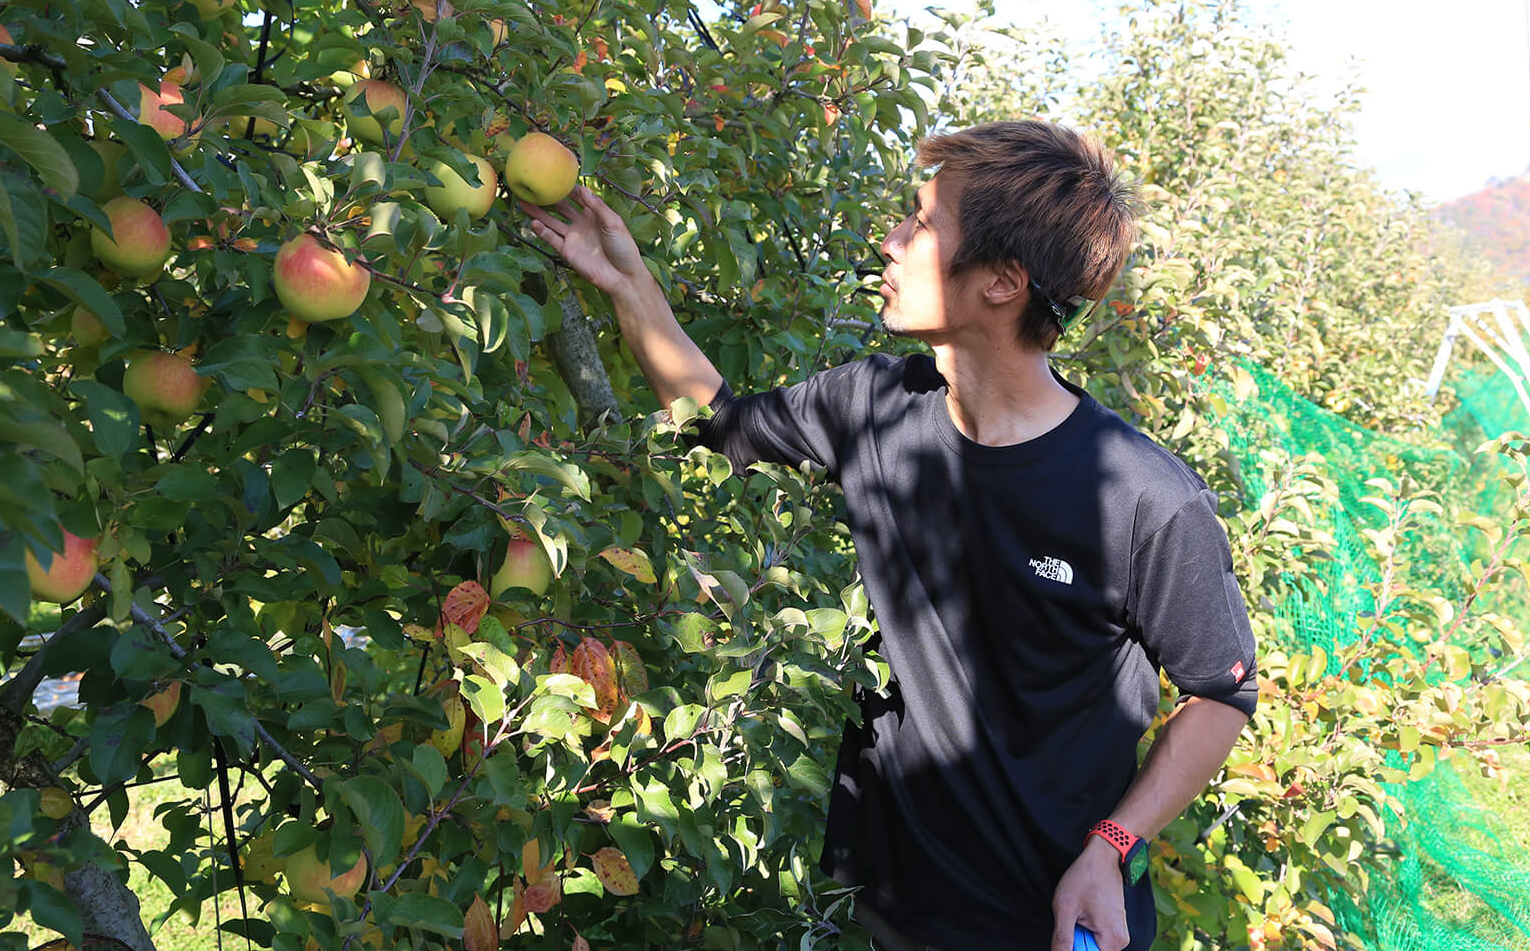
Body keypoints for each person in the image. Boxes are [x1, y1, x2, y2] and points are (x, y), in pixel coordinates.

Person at [518, 121, 1257, 951]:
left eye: (922, 224)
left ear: (1003, 282)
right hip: (877, 903)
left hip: (1046, 919)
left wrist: (1114, 845)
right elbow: (722, 423)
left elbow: (1221, 692)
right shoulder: (876, 403)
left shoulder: (1139, 498)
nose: (892, 240)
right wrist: (628, 283)